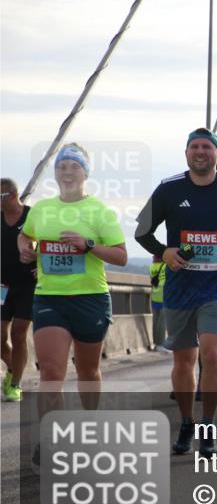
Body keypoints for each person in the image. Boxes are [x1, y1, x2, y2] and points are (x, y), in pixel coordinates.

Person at [135, 128, 217, 458]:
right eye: (194, 146)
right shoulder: (169, 189)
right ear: (187, 153)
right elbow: (142, 230)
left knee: (211, 353)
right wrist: (164, 252)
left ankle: (208, 427)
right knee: (183, 360)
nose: (200, 151)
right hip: (180, 286)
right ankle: (186, 422)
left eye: (207, 147)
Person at [18, 144, 128, 419]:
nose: (67, 172)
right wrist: (25, 247)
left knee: (87, 371)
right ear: (55, 173)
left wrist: (87, 245)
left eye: (74, 166)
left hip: (90, 298)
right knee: (51, 373)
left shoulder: (99, 211)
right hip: (49, 298)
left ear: (86, 173)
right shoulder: (42, 209)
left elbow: (121, 256)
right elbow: (25, 235)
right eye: (62, 166)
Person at [1, 177, 36, 402]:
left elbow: (49, 243)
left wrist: (42, 264)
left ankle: (15, 384)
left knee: (19, 332)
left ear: (12, 196)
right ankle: (14, 368)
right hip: (2, 286)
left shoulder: (32, 216)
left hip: (28, 285)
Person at [148, 254, 167, 352]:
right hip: (164, 297)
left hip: (154, 297)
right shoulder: (165, 266)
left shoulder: (151, 267)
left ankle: (156, 344)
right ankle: (161, 344)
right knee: (162, 323)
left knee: (155, 322)